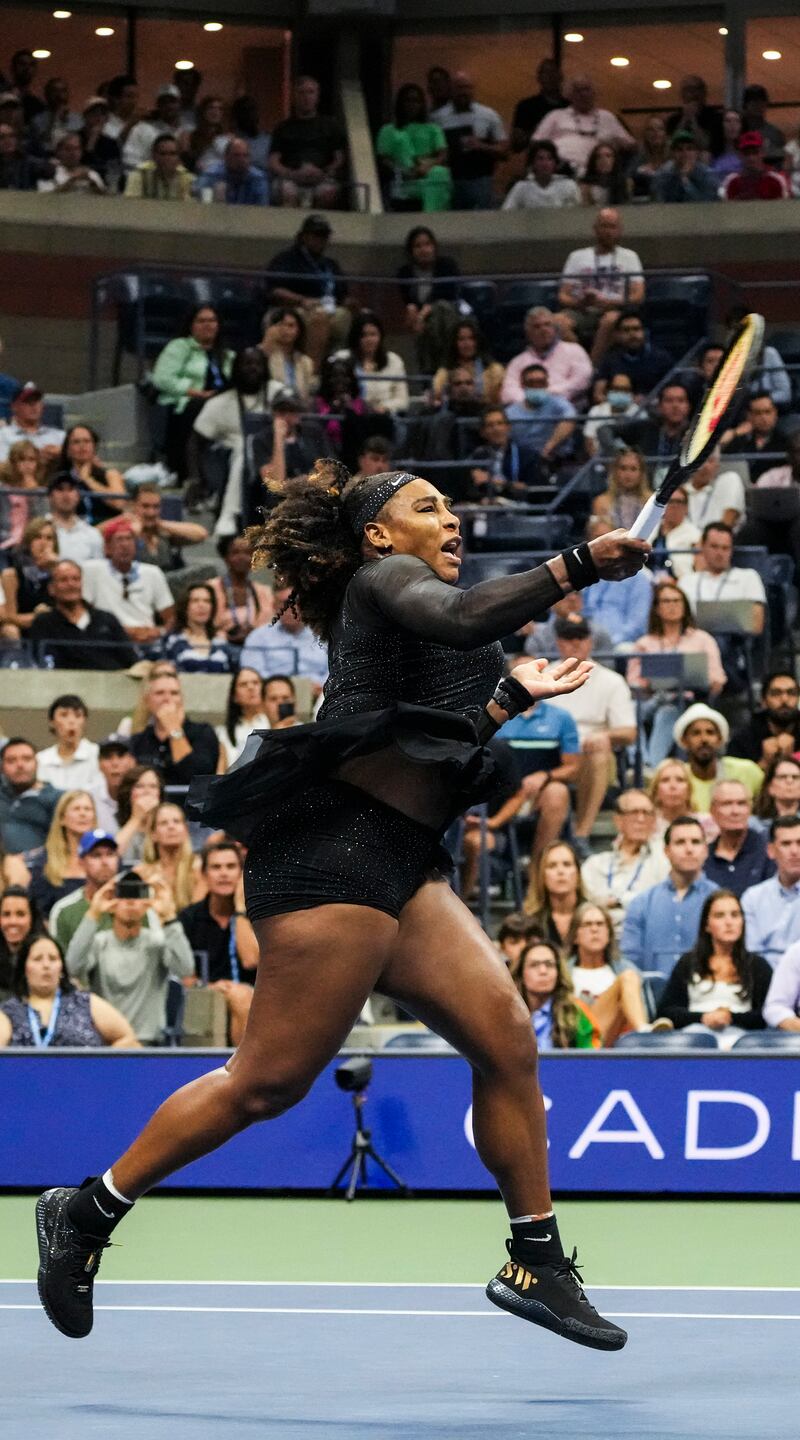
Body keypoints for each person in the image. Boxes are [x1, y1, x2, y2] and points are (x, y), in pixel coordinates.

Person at [34, 461, 648, 1349]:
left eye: (450, 506)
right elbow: (466, 616)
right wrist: (581, 561)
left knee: (508, 1039)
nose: (451, 519)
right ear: (377, 536)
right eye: (427, 507)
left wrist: (509, 698)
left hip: (403, 857)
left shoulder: (426, 614)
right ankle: (86, 1211)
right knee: (267, 1083)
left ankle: (536, 1261)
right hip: (331, 853)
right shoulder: (385, 581)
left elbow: (423, 747)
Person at [459, 692, 580, 898]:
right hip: (497, 794)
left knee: (557, 793)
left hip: (533, 795)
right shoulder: (494, 716)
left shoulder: (561, 717)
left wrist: (546, 775)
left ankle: (538, 873)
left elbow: (574, 768)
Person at [65, 869, 195, 1044]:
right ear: (113, 902)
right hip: (108, 1042)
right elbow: (72, 968)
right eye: (123, 894)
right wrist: (93, 914)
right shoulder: (99, 943)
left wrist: (169, 917)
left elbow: (186, 969)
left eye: (137, 894)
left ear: (146, 903)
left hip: (149, 1044)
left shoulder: (156, 943)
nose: (130, 901)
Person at [548, 616, 636, 849]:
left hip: (589, 753)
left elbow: (629, 732)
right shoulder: (544, 675)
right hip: (548, 751)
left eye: (581, 636)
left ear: (590, 641)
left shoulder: (611, 681)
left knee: (599, 747)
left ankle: (581, 834)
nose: (576, 642)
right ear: (559, 642)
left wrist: (604, 736)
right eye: (569, 637)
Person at [626, 582, 725, 767]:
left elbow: (717, 679)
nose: (672, 606)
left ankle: (652, 767)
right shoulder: (644, 643)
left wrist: (696, 679)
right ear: (657, 608)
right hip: (652, 698)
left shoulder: (702, 639)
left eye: (677, 601)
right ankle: (639, 763)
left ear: (685, 606)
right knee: (629, 709)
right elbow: (633, 681)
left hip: (688, 699)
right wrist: (651, 682)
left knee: (667, 712)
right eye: (666, 601)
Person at [657, 890, 772, 1048]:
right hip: (694, 1038)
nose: (729, 922)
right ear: (707, 925)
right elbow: (666, 1011)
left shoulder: (758, 965)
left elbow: (767, 1014)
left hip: (741, 1041)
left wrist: (731, 1017)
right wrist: (703, 1017)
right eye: (719, 916)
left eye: (735, 915)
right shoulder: (688, 962)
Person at [191, 347, 280, 535]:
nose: (252, 368)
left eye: (257, 363)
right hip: (235, 457)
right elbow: (195, 442)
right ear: (236, 369)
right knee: (243, 446)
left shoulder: (278, 393)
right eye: (246, 363)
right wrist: (197, 478)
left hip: (275, 453)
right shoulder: (220, 402)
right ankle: (230, 514)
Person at [179, 839, 259, 1046]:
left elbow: (250, 960)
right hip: (204, 995)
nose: (224, 874)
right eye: (216, 867)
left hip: (257, 998)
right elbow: (183, 976)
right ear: (204, 875)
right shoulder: (189, 918)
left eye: (231, 867)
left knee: (242, 996)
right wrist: (209, 986)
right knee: (239, 996)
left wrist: (240, 911)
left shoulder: (258, 915)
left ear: (241, 874)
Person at [0, 934, 139, 1049]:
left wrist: (100, 1068)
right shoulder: (8, 1011)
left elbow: (128, 1039)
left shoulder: (85, 1002)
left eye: (53, 959)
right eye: (37, 959)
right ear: (24, 969)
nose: (46, 965)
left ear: (62, 968)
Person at [621, 815, 718, 976]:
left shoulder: (720, 902)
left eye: (695, 842)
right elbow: (629, 961)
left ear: (705, 850)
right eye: (680, 842)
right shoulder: (642, 904)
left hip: (708, 988)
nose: (689, 849)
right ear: (666, 851)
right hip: (653, 990)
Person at [151, 305, 234, 482]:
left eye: (212, 320)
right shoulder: (179, 347)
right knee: (203, 406)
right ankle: (191, 473)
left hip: (222, 403)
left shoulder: (227, 354)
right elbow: (162, 378)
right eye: (201, 321)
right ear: (191, 325)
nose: (207, 325)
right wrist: (196, 393)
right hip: (186, 403)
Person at [557, 208, 644, 363]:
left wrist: (610, 302)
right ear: (595, 229)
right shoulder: (576, 256)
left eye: (613, 227)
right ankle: (581, 362)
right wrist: (581, 302)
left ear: (620, 230)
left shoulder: (630, 257)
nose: (608, 232)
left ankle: (593, 366)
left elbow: (638, 296)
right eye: (604, 226)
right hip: (582, 310)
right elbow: (563, 296)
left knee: (610, 320)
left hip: (615, 309)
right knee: (557, 322)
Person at [567, 902, 657, 1046]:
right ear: (575, 936)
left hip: (618, 1039)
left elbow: (646, 1011)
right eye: (587, 924)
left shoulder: (625, 969)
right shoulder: (564, 972)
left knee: (628, 978)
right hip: (579, 1038)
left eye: (600, 924)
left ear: (609, 934)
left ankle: (643, 1034)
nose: (594, 929)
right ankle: (644, 1036)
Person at [265, 215, 351, 366]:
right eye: (316, 235)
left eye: (324, 236)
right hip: (295, 309)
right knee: (319, 318)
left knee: (348, 317)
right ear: (304, 236)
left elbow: (343, 294)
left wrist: (351, 303)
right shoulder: (287, 259)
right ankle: (312, 370)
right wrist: (302, 300)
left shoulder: (330, 264)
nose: (320, 240)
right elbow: (275, 290)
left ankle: (339, 366)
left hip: (330, 309)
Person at [81, 520, 176, 647]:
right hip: (108, 639)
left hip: (147, 639)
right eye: (119, 540)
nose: (125, 545)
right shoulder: (92, 569)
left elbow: (171, 617)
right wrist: (123, 631)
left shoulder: (152, 572)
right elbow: (82, 611)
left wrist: (159, 632)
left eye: (129, 539)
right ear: (107, 547)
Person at [28, 559, 136, 671]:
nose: (71, 584)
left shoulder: (107, 619)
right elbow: (44, 664)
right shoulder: (43, 623)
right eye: (63, 580)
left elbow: (132, 661)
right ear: (51, 589)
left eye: (76, 579)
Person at [581, 791, 668, 928]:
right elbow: (585, 904)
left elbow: (661, 901)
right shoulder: (595, 864)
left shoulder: (663, 860)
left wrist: (618, 902)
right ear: (618, 820)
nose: (641, 819)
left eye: (647, 813)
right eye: (634, 812)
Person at [129, 669, 221, 790]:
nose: (167, 699)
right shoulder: (138, 741)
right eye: (159, 693)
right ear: (147, 701)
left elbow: (196, 778)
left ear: (181, 700)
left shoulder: (203, 733)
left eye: (174, 693)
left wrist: (174, 729)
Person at [430, 70, 507, 210]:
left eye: (467, 87)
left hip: (480, 181)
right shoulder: (437, 118)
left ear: (473, 89)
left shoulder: (488, 115)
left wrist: (481, 146)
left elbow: (504, 151)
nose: (463, 92)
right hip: (448, 181)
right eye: (459, 87)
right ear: (451, 89)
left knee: (481, 220)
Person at [678, 523, 766, 644]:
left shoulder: (748, 577)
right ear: (703, 547)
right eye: (714, 547)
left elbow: (756, 624)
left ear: (731, 550)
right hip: (693, 643)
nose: (719, 553)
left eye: (725, 548)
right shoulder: (687, 581)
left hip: (734, 644)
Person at [532, 77, 634, 179]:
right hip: (560, 171)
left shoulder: (607, 117)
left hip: (596, 173)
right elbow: (536, 143)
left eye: (587, 89)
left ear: (594, 93)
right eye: (578, 91)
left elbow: (631, 145)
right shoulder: (556, 115)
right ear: (569, 95)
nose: (583, 94)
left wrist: (617, 144)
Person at [268, 75, 345, 209]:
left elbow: (339, 159)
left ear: (317, 96)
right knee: (286, 191)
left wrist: (323, 173)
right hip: (290, 178)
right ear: (294, 96)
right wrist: (290, 174)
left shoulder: (331, 125)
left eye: (310, 92)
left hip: (322, 177)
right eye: (301, 92)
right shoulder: (282, 127)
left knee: (328, 192)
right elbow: (273, 161)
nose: (306, 97)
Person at [511, 937, 599, 1050]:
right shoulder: (507, 1014)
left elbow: (591, 1056)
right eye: (534, 965)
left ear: (558, 972)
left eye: (549, 965)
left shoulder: (576, 1011)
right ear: (521, 973)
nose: (543, 971)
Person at [674, 703, 764, 813]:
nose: (704, 739)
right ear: (684, 740)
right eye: (696, 733)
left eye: (710, 732)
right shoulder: (676, 778)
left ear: (720, 739)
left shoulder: (747, 770)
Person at [376, 84, 451, 213]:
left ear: (422, 104)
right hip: (402, 178)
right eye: (408, 100)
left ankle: (432, 216)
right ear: (400, 103)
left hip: (428, 173)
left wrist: (427, 166)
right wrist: (403, 171)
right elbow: (384, 158)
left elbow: (443, 154)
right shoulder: (388, 130)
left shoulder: (433, 128)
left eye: (416, 101)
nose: (412, 105)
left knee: (440, 173)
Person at [396, 225, 462, 373]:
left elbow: (447, 294)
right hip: (423, 321)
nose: (423, 250)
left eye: (427, 244)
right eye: (418, 246)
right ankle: (431, 374)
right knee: (425, 326)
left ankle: (445, 365)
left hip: (449, 315)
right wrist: (412, 309)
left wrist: (422, 315)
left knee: (440, 309)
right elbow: (409, 301)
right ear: (411, 251)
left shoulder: (447, 266)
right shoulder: (405, 272)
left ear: (434, 246)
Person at [240, 583, 328, 691]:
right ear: (274, 606)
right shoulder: (257, 638)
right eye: (284, 603)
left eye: (295, 602)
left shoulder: (323, 635)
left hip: (321, 695)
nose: (290, 608)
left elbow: (336, 669)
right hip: (273, 695)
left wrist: (323, 686)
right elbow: (251, 675)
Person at [501, 307, 592, 407]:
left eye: (547, 324)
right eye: (537, 326)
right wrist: (531, 401)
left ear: (555, 328)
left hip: (571, 411)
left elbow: (582, 381)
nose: (543, 329)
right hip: (529, 413)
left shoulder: (574, 350)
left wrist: (546, 396)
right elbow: (508, 392)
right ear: (528, 333)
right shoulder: (518, 362)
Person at [741, 816, 800, 966]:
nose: (794, 851)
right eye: (786, 844)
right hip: (762, 976)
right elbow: (751, 953)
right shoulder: (752, 898)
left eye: (799, 843)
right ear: (771, 851)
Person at [29, 789, 98, 915]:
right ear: (62, 818)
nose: (83, 814)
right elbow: (40, 911)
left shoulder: (108, 857)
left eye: (87, 809)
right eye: (76, 809)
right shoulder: (45, 862)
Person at [703, 780, 774, 897]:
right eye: (727, 804)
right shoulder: (703, 858)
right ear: (712, 810)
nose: (735, 811)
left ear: (750, 809)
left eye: (741, 804)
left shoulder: (769, 851)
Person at [332, 311, 409, 414]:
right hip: (351, 415)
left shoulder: (394, 360)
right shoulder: (341, 358)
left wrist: (384, 407)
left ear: (380, 336)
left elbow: (403, 401)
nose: (369, 339)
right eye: (363, 335)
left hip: (384, 416)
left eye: (373, 334)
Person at [122, 484, 208, 573]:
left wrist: (160, 524)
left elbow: (201, 534)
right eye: (145, 506)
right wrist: (134, 529)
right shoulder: (122, 530)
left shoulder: (163, 532)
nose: (151, 513)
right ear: (133, 505)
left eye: (156, 507)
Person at [208, 534, 274, 649]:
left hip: (255, 647)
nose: (242, 557)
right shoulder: (210, 588)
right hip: (217, 647)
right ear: (225, 557)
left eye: (248, 553)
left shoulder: (264, 592)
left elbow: (268, 627)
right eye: (235, 552)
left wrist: (253, 634)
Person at [504, 364, 576, 467]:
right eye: (531, 383)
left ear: (547, 384)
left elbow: (570, 419)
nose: (536, 386)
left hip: (558, 460)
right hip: (524, 463)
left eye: (541, 382)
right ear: (522, 385)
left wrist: (548, 447)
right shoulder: (510, 413)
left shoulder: (559, 403)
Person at [468, 407, 543, 504]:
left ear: (508, 427)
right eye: (490, 425)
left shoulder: (527, 455)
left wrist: (496, 482)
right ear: (483, 432)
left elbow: (534, 489)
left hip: (518, 504)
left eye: (500, 423)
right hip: (485, 504)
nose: (496, 429)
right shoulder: (476, 457)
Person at [0, 737, 61, 858]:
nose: (20, 765)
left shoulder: (56, 799)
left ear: (37, 763)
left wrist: (26, 858)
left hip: (40, 865)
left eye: (26, 759)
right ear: (2, 768)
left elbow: (64, 843)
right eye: (11, 761)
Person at [52, 424, 125, 522]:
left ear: (94, 447)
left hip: (107, 527)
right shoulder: (60, 478)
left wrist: (88, 479)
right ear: (68, 450)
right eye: (76, 442)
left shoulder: (110, 474)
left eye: (87, 441)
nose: (82, 446)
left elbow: (119, 503)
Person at [729, 670, 800, 769]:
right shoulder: (743, 739)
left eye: (791, 693)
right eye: (776, 693)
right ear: (763, 701)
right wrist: (765, 762)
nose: (784, 699)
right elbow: (734, 777)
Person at [140, 801, 203, 912]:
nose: (171, 826)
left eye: (176, 821)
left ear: (185, 830)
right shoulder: (143, 874)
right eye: (164, 823)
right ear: (153, 834)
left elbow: (197, 913)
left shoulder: (200, 868)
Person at [595, 311, 672, 401]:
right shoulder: (609, 360)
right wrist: (627, 401)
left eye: (636, 329)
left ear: (644, 332)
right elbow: (598, 395)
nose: (632, 334)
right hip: (620, 407)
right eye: (626, 330)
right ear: (618, 335)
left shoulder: (661, 358)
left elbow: (673, 391)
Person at [162, 583, 234, 675]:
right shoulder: (172, 640)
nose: (202, 605)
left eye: (207, 601)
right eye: (195, 601)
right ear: (185, 606)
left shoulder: (221, 642)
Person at [1, 515, 58, 629]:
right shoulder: (12, 575)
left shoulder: (61, 572)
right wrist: (39, 617)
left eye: (49, 538)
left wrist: (56, 566)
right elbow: (10, 617)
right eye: (37, 537)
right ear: (28, 543)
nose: (43, 543)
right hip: (25, 629)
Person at [524, 839, 586, 942]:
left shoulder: (594, 917)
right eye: (552, 866)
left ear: (578, 874)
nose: (560, 871)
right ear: (542, 876)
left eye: (567, 864)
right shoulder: (530, 923)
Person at [36, 694, 99, 794]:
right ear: (52, 722)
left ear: (84, 721)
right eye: (64, 715)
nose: (71, 721)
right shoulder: (41, 760)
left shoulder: (97, 755)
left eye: (78, 715)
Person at [619, 383, 691, 471]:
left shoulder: (695, 434)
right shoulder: (644, 428)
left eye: (681, 400)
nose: (675, 406)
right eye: (669, 401)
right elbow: (606, 430)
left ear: (688, 406)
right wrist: (618, 453)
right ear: (659, 406)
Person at [719, 392, 787, 483]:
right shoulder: (739, 439)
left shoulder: (785, 441)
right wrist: (736, 432)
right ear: (749, 416)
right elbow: (715, 446)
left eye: (767, 412)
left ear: (775, 413)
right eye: (758, 413)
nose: (764, 418)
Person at [502, 138, 580, 211]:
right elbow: (507, 213)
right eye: (540, 159)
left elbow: (575, 214)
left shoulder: (568, 185)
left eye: (549, 158)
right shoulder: (521, 187)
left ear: (555, 163)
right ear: (532, 163)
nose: (545, 163)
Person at [216, 668, 269, 768]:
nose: (251, 687)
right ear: (234, 696)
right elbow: (221, 771)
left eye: (256, 683)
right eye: (243, 684)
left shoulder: (275, 723)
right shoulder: (224, 733)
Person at [258, 308, 314, 404]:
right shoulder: (262, 354)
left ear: (299, 330)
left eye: (291, 325)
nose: (285, 330)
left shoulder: (305, 362)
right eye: (281, 325)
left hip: (298, 408)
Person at [589, 449, 651, 535]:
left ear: (641, 473)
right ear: (615, 472)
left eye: (633, 469)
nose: (628, 474)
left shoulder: (651, 501)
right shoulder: (601, 502)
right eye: (623, 468)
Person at [45, 472, 103, 564]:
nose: (66, 495)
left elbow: (98, 568)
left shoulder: (92, 534)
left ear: (78, 496)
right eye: (60, 489)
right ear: (50, 497)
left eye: (71, 489)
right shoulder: (40, 531)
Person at [0, 382, 64, 464]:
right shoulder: (3, 436)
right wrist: (38, 456)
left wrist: (63, 453)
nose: (34, 406)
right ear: (14, 407)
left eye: (37, 401)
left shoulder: (59, 436)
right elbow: (2, 466)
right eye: (27, 401)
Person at [510, 59, 567, 150]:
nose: (550, 77)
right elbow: (517, 143)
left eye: (553, 73)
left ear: (561, 77)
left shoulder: (570, 107)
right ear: (539, 78)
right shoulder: (526, 106)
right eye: (546, 73)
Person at [682, 451, 745, 533]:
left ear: (717, 465)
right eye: (699, 461)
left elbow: (729, 520)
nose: (704, 466)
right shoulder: (678, 492)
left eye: (710, 461)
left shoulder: (728, 481)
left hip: (717, 537)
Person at [114, 766, 165, 866]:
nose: (147, 791)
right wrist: (136, 819)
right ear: (128, 792)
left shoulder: (169, 822)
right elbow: (111, 854)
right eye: (139, 786)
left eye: (153, 786)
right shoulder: (112, 822)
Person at [651, 130, 718, 204]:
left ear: (697, 153)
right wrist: (681, 176)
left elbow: (706, 204)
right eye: (679, 149)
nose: (685, 153)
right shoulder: (663, 175)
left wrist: (685, 180)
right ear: (672, 154)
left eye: (689, 149)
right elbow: (659, 203)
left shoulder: (707, 174)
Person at [0, 438, 45, 548]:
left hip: (32, 544)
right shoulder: (3, 490)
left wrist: (33, 495)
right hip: (5, 542)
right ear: (13, 463)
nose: (27, 464)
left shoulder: (42, 493)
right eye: (22, 459)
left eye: (31, 460)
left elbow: (41, 522)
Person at [0, 887, 44, 998]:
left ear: (32, 919)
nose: (13, 921)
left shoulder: (45, 956)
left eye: (20, 914)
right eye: (6, 914)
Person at [198, 137, 268, 206]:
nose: (241, 160)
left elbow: (263, 208)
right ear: (226, 157)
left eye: (245, 156)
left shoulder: (258, 178)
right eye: (236, 155)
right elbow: (199, 203)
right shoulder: (212, 175)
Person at [650, 486, 701, 580]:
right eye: (671, 501)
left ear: (686, 508)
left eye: (679, 502)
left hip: (680, 583)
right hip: (648, 581)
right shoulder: (651, 528)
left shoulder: (696, 535)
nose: (674, 506)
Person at [664, 74, 723, 155]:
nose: (693, 94)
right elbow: (670, 147)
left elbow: (707, 145)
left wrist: (693, 120)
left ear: (704, 93)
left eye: (696, 89)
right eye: (688, 89)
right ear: (682, 94)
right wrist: (684, 119)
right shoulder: (674, 120)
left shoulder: (715, 117)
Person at [721, 132, 789, 202]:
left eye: (755, 152)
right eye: (746, 153)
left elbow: (783, 205)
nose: (751, 158)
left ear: (763, 153)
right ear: (740, 155)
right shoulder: (732, 181)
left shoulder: (775, 180)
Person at [582, 373, 638, 457]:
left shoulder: (639, 413)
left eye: (625, 389)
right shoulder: (596, 411)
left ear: (631, 393)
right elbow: (589, 442)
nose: (620, 393)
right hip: (601, 461)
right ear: (608, 391)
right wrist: (599, 462)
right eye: (616, 389)